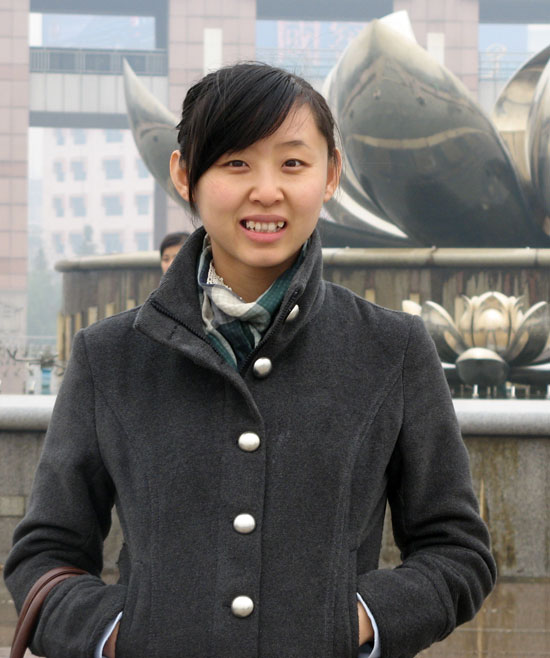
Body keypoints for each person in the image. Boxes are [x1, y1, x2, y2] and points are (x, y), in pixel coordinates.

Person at [4, 63, 496, 658]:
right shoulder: (110, 355)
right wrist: (121, 635)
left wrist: (353, 621)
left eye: (293, 163)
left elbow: (458, 552)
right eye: (236, 163)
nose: (266, 190)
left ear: (331, 175)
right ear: (184, 174)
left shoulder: (393, 349)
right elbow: (43, 553)